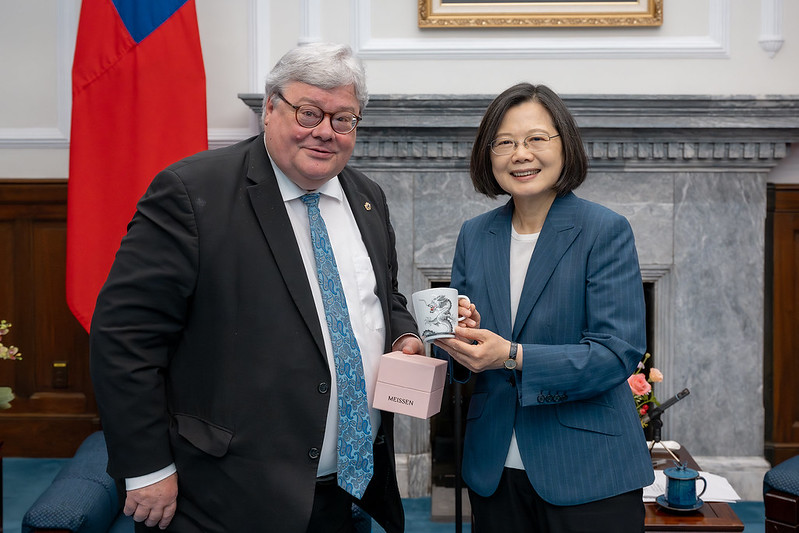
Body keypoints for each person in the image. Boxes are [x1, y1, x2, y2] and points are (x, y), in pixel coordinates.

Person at [90, 42, 424, 533]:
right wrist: (147, 467)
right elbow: (124, 339)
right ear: (270, 107)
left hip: (349, 489)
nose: (325, 132)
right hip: (225, 495)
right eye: (309, 112)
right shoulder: (190, 193)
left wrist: (403, 336)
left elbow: (382, 296)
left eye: (344, 119)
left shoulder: (367, 196)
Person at [434, 82, 655, 532]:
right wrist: (456, 337)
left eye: (536, 139)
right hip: (493, 468)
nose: (521, 154)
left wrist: (512, 356)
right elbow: (450, 355)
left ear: (564, 145)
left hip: (589, 469)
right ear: (488, 154)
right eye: (505, 142)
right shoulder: (474, 235)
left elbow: (617, 353)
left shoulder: (604, 230)